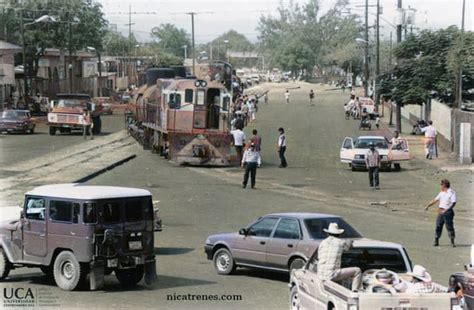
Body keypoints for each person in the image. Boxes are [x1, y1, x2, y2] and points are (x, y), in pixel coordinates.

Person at [317, 223, 362, 292]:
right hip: (332, 275)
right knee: (357, 271)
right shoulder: (341, 242)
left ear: (328, 234)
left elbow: (319, 257)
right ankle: (355, 291)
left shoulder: (322, 243)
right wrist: (350, 241)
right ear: (339, 234)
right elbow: (348, 247)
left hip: (320, 275)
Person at [424, 179, 457, 247]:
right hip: (440, 211)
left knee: (449, 226)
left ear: (444, 185)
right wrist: (428, 205)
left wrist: (446, 209)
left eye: (441, 185)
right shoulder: (441, 193)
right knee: (438, 225)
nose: (441, 186)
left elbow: (453, 203)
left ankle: (452, 241)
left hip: (448, 212)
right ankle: (436, 240)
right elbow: (435, 200)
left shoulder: (451, 192)